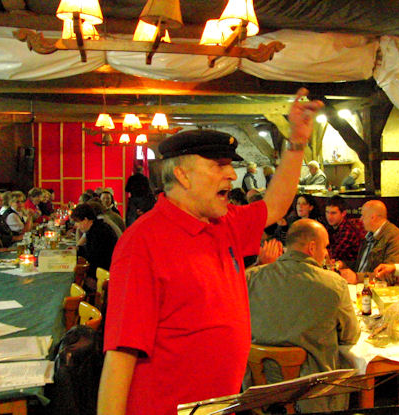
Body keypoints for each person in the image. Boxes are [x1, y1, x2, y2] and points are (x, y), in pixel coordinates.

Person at [98, 88, 324, 415]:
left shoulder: (223, 221)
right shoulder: (143, 243)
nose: (231, 174)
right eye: (219, 165)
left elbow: (275, 204)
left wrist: (297, 142)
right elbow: (120, 356)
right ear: (182, 175)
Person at [248, 219, 360, 413]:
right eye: (325, 247)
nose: (326, 253)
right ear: (312, 247)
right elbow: (350, 336)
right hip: (314, 395)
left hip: (261, 390)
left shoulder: (251, 278)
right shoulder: (333, 284)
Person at [338, 200, 399, 284]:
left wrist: (358, 278)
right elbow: (363, 265)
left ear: (373, 217)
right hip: (363, 286)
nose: (360, 219)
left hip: (383, 289)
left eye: (363, 216)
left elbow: (391, 275)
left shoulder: (395, 237)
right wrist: (343, 264)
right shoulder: (369, 235)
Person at [71, 203, 118, 293]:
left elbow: (93, 257)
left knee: (75, 281)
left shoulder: (99, 232)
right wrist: (78, 249)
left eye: (77, 222)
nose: (76, 225)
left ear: (85, 220)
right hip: (103, 270)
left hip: (104, 275)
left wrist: (78, 251)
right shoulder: (97, 228)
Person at [324, 195, 364, 267]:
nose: (329, 216)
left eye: (333, 213)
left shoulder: (348, 231)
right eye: (327, 212)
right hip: (336, 266)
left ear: (343, 213)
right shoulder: (329, 227)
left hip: (349, 268)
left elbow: (333, 255)